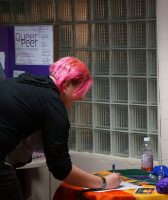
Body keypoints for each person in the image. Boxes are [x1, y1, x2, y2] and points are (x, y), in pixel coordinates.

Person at [0, 57, 122, 199]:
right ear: (67, 84)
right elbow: (61, 169)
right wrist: (104, 182)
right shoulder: (53, 105)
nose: (81, 98)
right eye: (81, 90)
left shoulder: (21, 83)